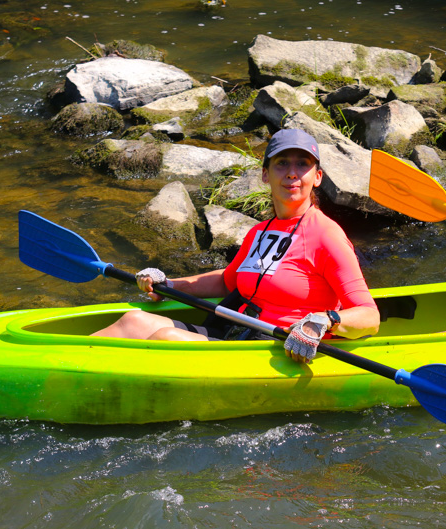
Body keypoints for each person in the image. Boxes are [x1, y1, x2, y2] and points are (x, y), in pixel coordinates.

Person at [92, 128, 380, 363]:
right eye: (282, 163)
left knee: (167, 340)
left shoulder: (326, 235)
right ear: (266, 175)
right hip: (237, 331)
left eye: (302, 164)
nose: (292, 173)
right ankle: (65, 364)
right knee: (134, 321)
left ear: (317, 177)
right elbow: (228, 281)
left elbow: (369, 316)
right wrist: (169, 284)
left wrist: (322, 322)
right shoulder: (260, 231)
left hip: (278, 349)